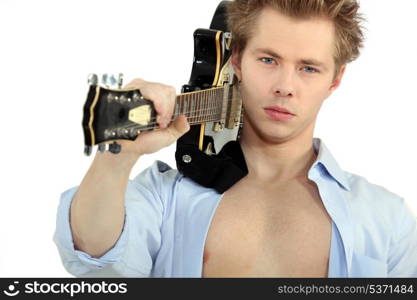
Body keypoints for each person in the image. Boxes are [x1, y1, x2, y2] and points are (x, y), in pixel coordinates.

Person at [54, 0, 417, 277]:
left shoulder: (386, 217)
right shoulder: (165, 196)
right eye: (268, 60)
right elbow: (92, 258)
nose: (284, 87)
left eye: (308, 68)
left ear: (335, 80)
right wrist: (118, 156)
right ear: (238, 60)